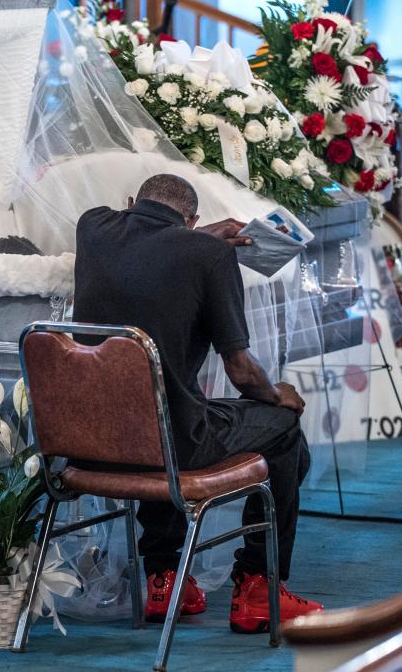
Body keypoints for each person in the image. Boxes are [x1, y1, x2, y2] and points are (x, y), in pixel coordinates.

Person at [73, 173, 323, 633]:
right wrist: (279, 396)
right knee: (285, 431)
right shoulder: (211, 255)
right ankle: (256, 587)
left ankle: (163, 577)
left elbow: (145, 241)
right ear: (193, 219)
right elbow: (241, 371)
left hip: (87, 442)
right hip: (170, 446)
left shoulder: (92, 227)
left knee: (168, 411)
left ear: (131, 201)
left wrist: (191, 237)